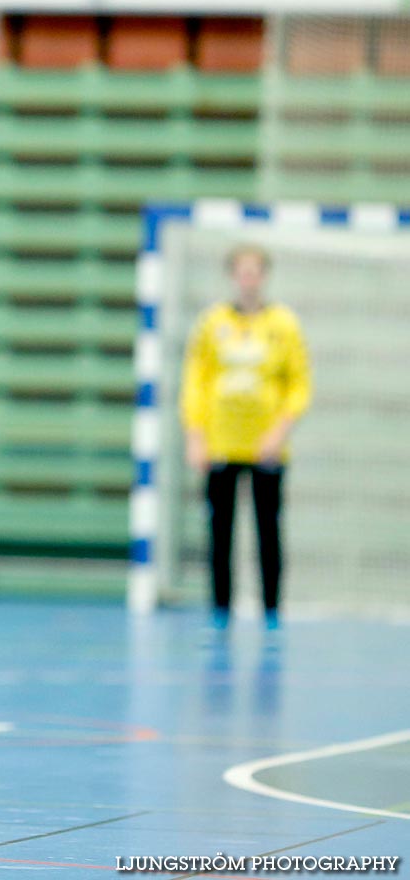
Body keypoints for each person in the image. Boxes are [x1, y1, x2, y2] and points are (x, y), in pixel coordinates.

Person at [179, 243, 311, 632]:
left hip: (267, 446)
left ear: (264, 276)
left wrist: (279, 431)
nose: (248, 278)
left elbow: (299, 385)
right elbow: (195, 383)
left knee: (268, 531)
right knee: (220, 532)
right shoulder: (212, 323)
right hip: (221, 442)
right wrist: (195, 436)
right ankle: (221, 610)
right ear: (233, 275)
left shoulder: (284, 325)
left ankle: (272, 610)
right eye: (242, 271)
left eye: (255, 271)